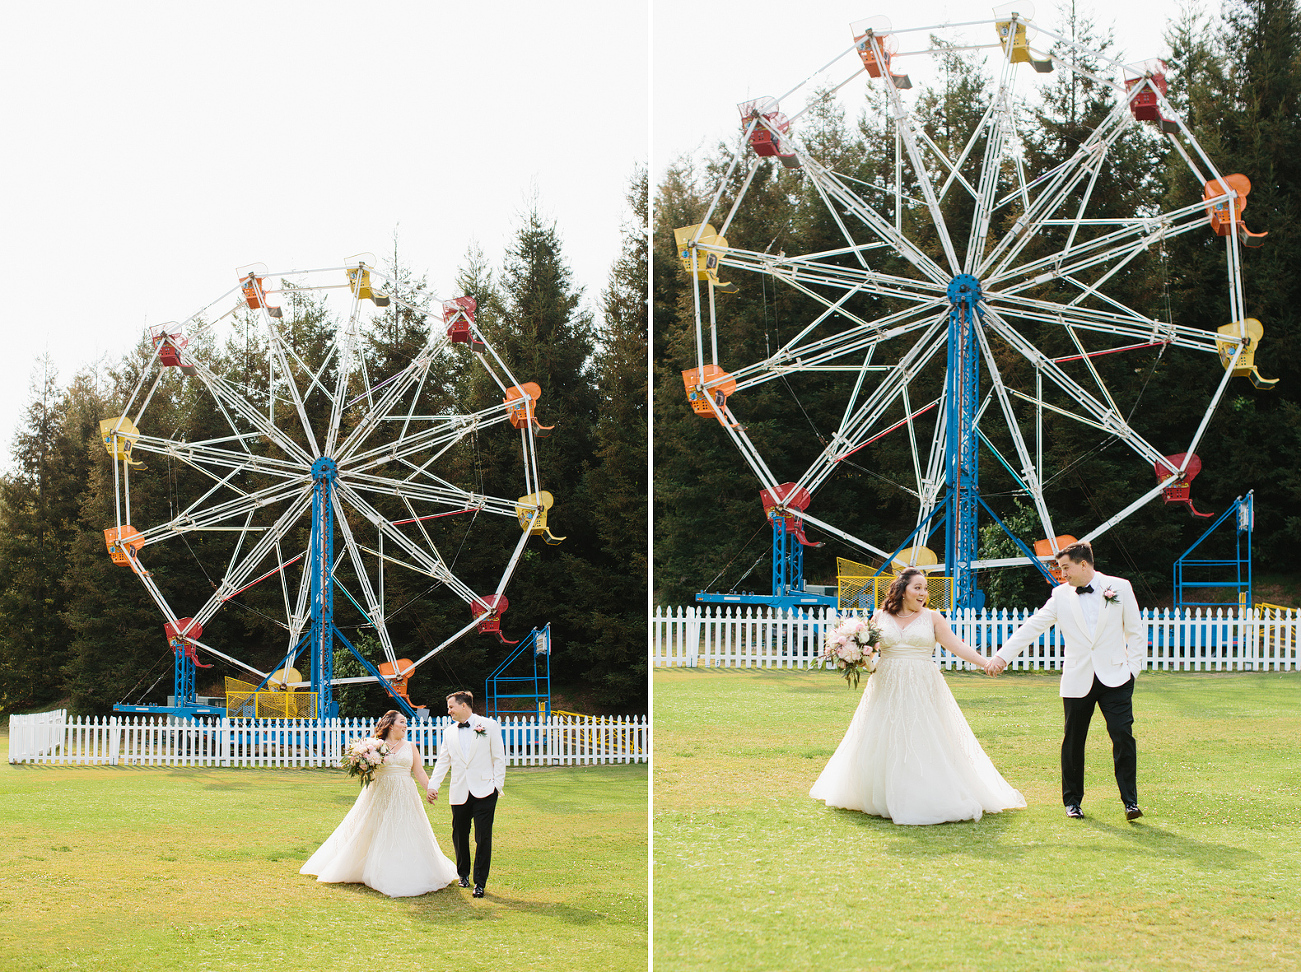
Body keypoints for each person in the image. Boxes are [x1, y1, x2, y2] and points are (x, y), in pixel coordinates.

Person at [810, 568, 1026, 825]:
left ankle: (924, 793)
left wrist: (986, 663)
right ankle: (882, 794)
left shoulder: (933, 618)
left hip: (922, 683)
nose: (923, 593)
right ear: (902, 590)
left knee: (921, 735)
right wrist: (854, 653)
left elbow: (957, 646)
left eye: (925, 589)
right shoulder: (880, 615)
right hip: (887, 682)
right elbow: (870, 653)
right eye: (918, 588)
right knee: (884, 735)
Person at [987, 541, 1144, 821]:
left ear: (1083, 564)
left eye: (1065, 568)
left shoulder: (1119, 587)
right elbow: (1032, 626)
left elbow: (1135, 631)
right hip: (1077, 678)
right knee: (1073, 741)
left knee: (1123, 736)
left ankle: (1130, 802)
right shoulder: (1060, 596)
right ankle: (1072, 802)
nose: (1062, 574)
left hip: (1117, 677)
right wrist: (1002, 657)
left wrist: (1133, 669)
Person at [300, 709, 458, 897]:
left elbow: (419, 772)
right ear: (391, 725)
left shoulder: (410, 747)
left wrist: (429, 788)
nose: (405, 725)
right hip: (380, 792)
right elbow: (365, 769)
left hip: (404, 792)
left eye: (405, 722)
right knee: (373, 828)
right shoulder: (374, 745)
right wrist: (362, 765)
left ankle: (404, 869)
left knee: (404, 828)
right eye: (402, 722)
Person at [426, 691, 506, 898]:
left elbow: (498, 757)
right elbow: (443, 760)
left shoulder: (489, 725)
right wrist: (433, 785)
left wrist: (497, 786)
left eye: (451, 707)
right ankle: (463, 875)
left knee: (483, 837)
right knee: (459, 834)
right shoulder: (449, 732)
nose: (449, 711)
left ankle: (480, 882)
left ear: (464, 706)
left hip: (485, 790)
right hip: (459, 790)